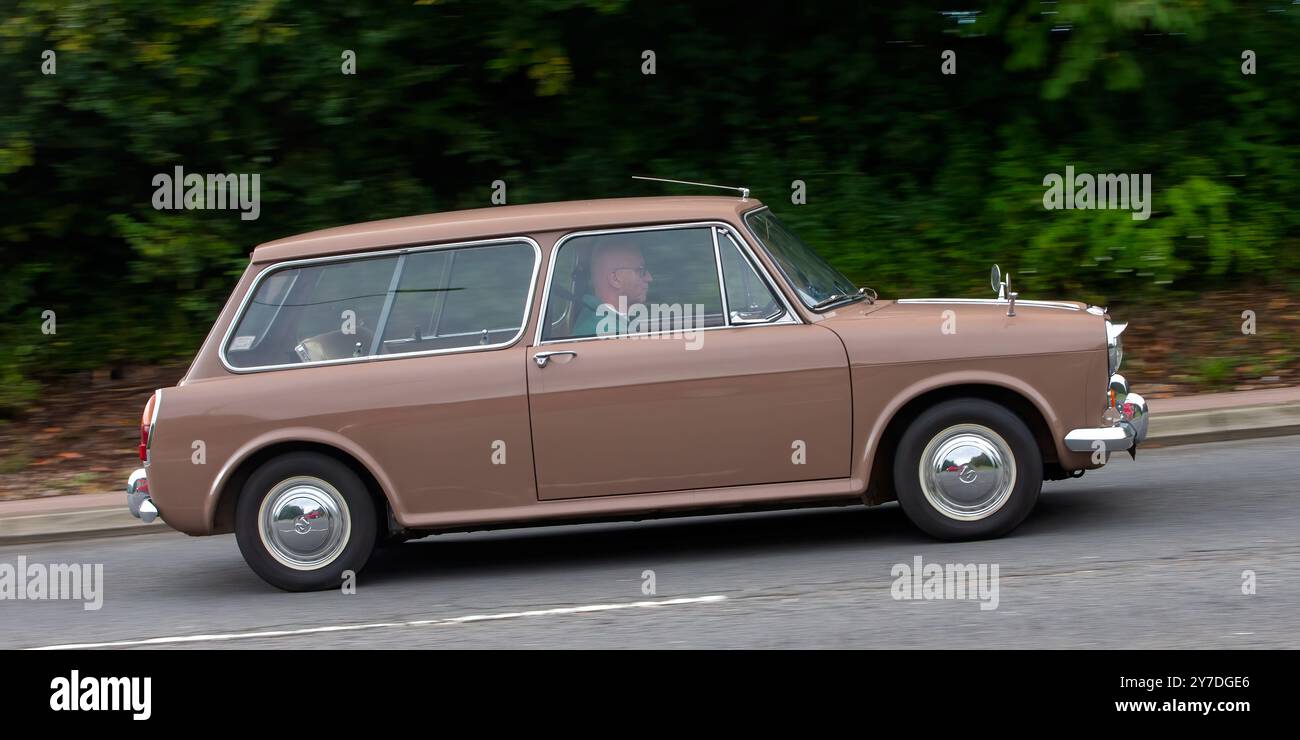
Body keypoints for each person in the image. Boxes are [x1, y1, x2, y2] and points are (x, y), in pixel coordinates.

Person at [572, 241, 653, 337]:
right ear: (615, 279)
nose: (650, 278)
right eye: (641, 271)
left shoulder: (594, 317)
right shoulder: (607, 333)